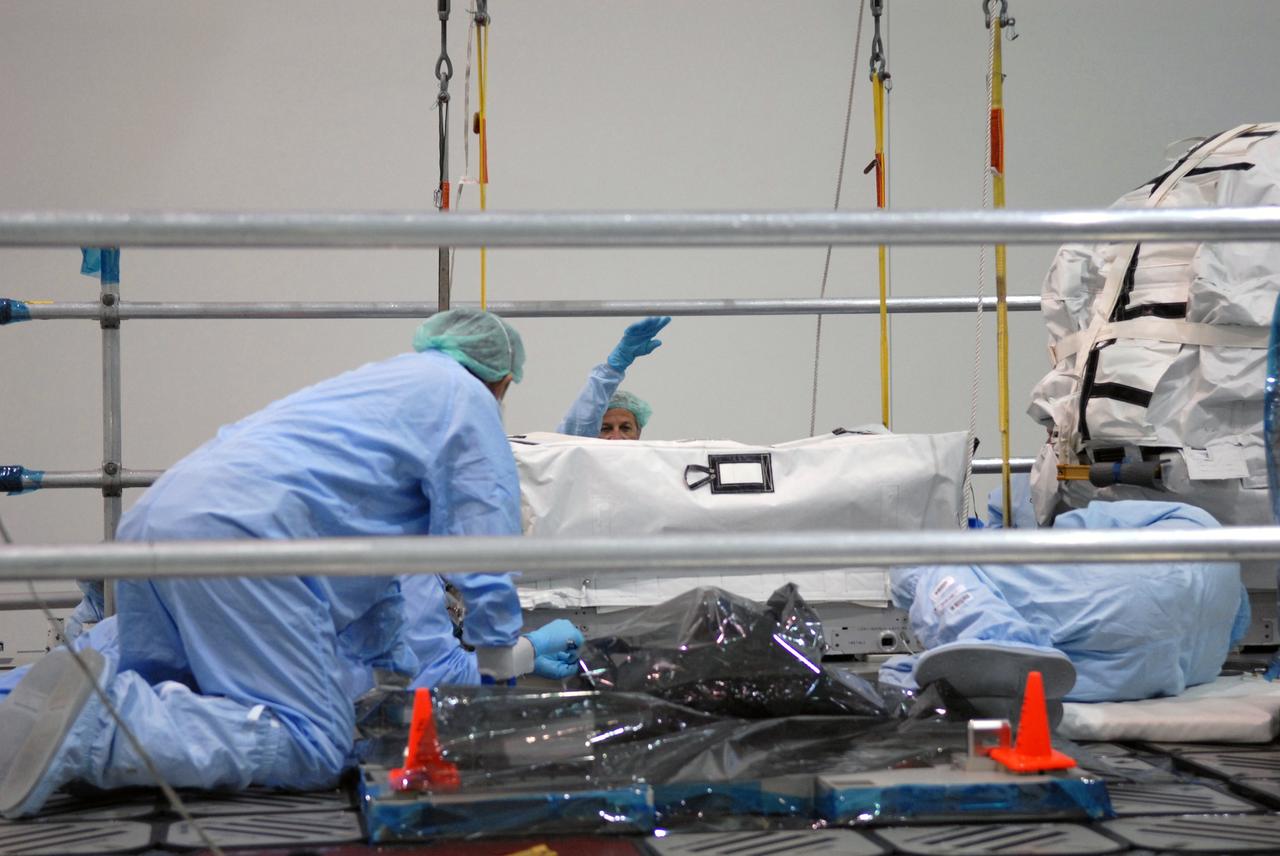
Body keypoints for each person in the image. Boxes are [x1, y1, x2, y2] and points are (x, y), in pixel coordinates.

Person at [0, 309, 582, 819]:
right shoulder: (467, 400)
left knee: (176, 688)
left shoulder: (375, 393)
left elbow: (384, 608)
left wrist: (395, 676)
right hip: (248, 537)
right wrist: (505, 651)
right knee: (314, 742)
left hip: (161, 514)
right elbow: (486, 540)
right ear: (503, 382)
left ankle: (19, 707)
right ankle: (96, 728)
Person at [880, 493, 1250, 720]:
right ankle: (995, 650)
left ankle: (992, 643)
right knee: (1064, 650)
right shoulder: (1198, 525)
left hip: (1136, 667)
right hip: (1174, 659)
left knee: (919, 559)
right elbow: (1078, 532)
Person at [558, 316, 668, 440]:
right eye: (605, 428)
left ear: (638, 432)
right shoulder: (579, 456)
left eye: (625, 428)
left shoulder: (653, 459)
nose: (616, 437)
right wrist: (613, 368)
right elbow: (576, 430)